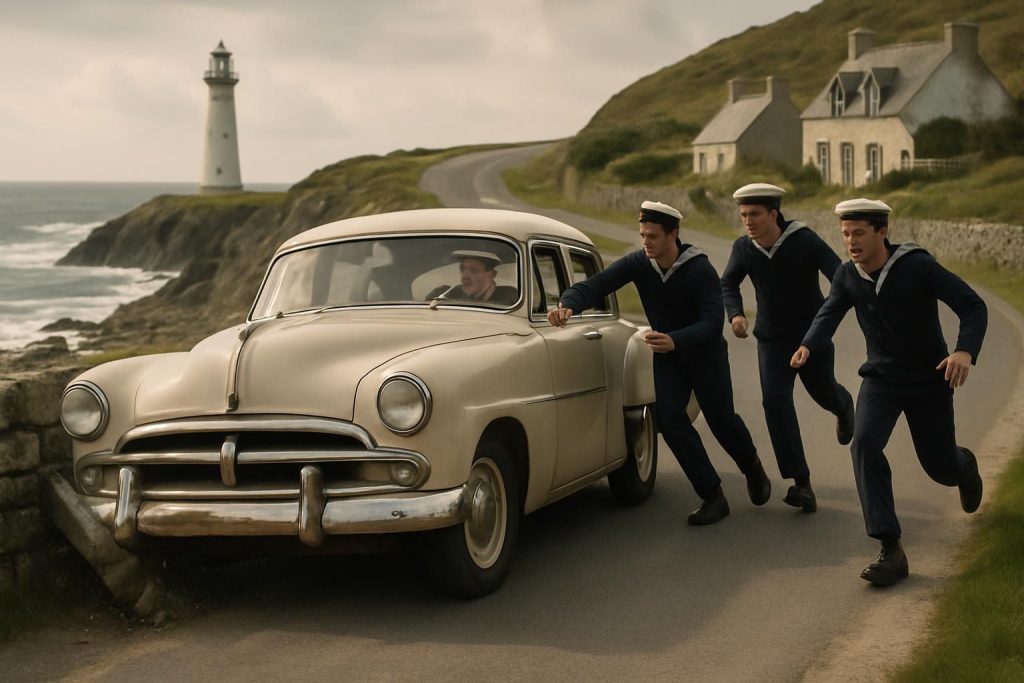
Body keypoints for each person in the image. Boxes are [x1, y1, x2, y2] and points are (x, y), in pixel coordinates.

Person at [791, 198, 987, 586]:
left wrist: (963, 350)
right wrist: (808, 344)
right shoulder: (848, 275)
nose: (851, 241)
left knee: (939, 466)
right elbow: (829, 312)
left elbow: (972, 305)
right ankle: (890, 548)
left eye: (859, 233)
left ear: (883, 232)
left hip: (929, 380)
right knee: (863, 444)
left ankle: (964, 469)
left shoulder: (917, 267)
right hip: (881, 380)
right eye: (846, 234)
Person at [548, 200, 770, 526]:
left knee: (721, 419)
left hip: (705, 355)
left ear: (673, 234)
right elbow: (598, 284)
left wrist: (676, 339)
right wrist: (568, 304)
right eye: (642, 235)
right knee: (668, 420)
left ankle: (751, 465)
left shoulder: (700, 270)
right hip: (668, 357)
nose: (646, 242)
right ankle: (712, 495)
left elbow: (711, 322)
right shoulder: (640, 263)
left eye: (653, 235)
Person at [721, 183, 854, 513]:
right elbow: (728, 282)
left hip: (813, 337)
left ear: (773, 214)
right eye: (743, 215)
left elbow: (839, 276)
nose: (748, 221)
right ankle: (801, 482)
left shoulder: (804, 240)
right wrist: (735, 314)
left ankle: (842, 405)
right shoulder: (743, 248)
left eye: (754, 214)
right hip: (772, 341)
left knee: (823, 391)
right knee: (775, 402)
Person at [427, 250, 518, 305]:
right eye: (462, 269)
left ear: (492, 274)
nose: (464, 276)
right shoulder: (444, 294)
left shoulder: (510, 298)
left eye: (474, 270)